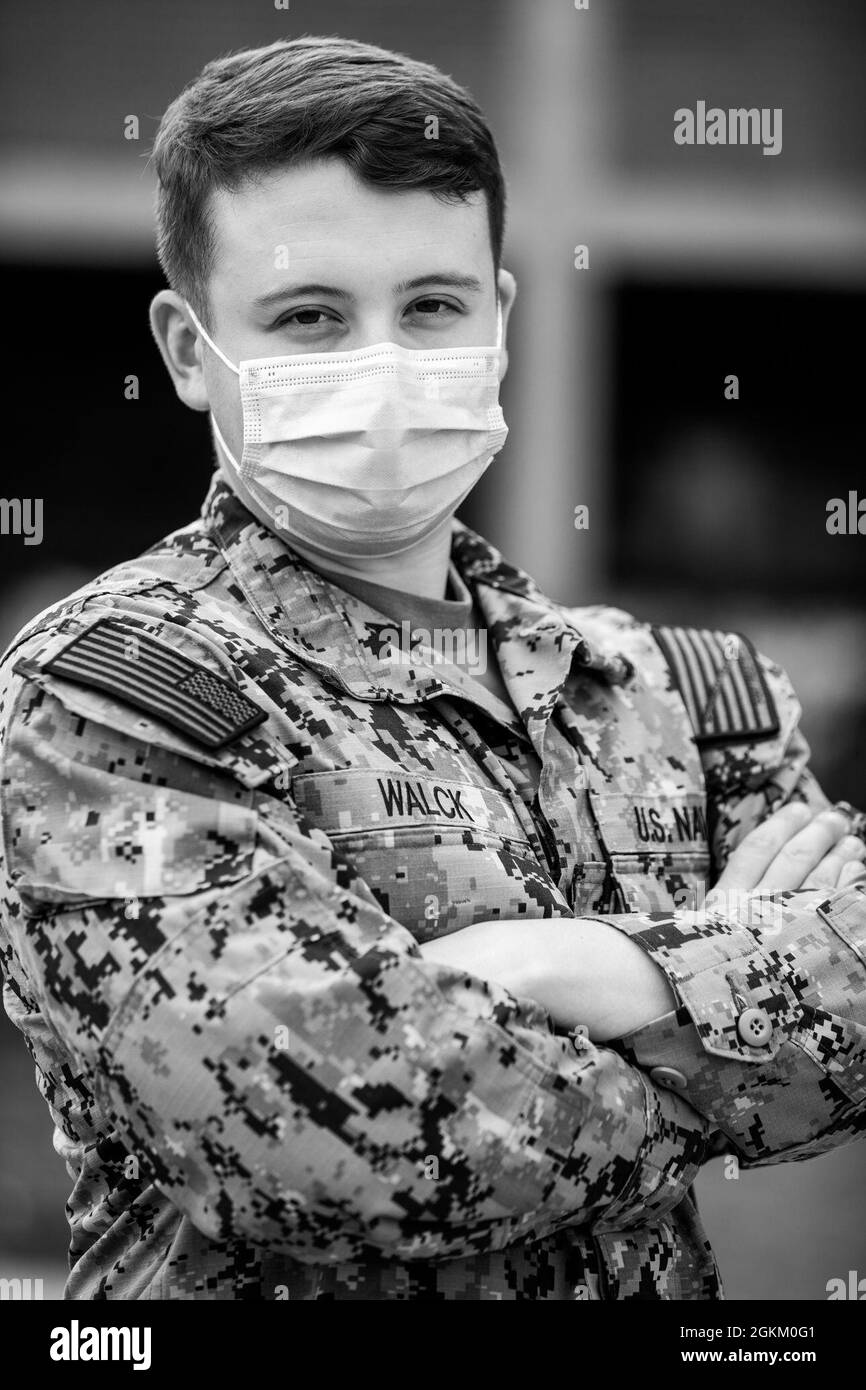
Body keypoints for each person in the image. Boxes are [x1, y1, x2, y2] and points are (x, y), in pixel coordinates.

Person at [0, 35, 864, 1302]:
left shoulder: (682, 694)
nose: (384, 365)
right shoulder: (102, 700)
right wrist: (724, 996)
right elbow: (335, 1148)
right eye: (308, 318)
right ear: (188, 350)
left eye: (430, 307)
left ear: (501, 318)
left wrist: (579, 967)